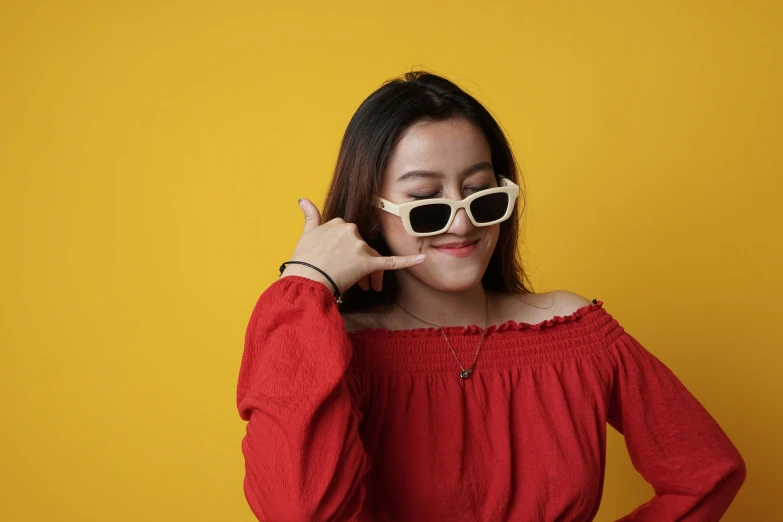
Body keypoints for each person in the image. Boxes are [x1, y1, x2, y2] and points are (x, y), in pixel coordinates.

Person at [236, 71, 746, 521]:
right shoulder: (337, 351)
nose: (461, 222)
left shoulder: (574, 331)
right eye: (425, 203)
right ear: (372, 213)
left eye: (482, 194)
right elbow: (297, 510)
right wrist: (306, 282)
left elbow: (707, 473)